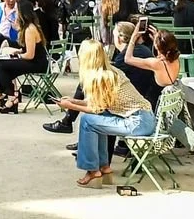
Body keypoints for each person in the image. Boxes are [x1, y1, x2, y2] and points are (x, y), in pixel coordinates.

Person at [57, 39, 156, 187]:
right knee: (97, 118)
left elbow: (96, 108)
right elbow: (99, 105)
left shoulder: (100, 77)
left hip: (137, 122)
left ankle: (92, 171)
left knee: (87, 121)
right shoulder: (111, 71)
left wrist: (70, 106)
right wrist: (73, 101)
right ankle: (104, 167)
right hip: (144, 119)